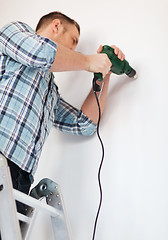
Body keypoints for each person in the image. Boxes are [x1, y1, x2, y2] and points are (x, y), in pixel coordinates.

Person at [0, 11, 125, 214]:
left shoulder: (50, 92)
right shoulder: (14, 31)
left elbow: (85, 124)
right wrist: (87, 61)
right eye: (73, 40)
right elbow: (40, 53)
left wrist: (106, 74)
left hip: (19, 179)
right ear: (56, 26)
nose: (74, 49)